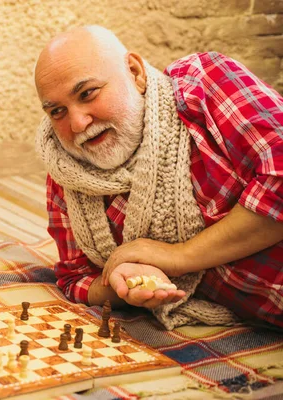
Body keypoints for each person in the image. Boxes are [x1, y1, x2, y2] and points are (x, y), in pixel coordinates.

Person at [34, 25, 283, 330]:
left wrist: (179, 256)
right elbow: (76, 279)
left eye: (88, 94)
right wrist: (124, 281)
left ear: (135, 73)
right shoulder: (65, 173)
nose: (77, 123)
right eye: (58, 111)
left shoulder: (202, 83)